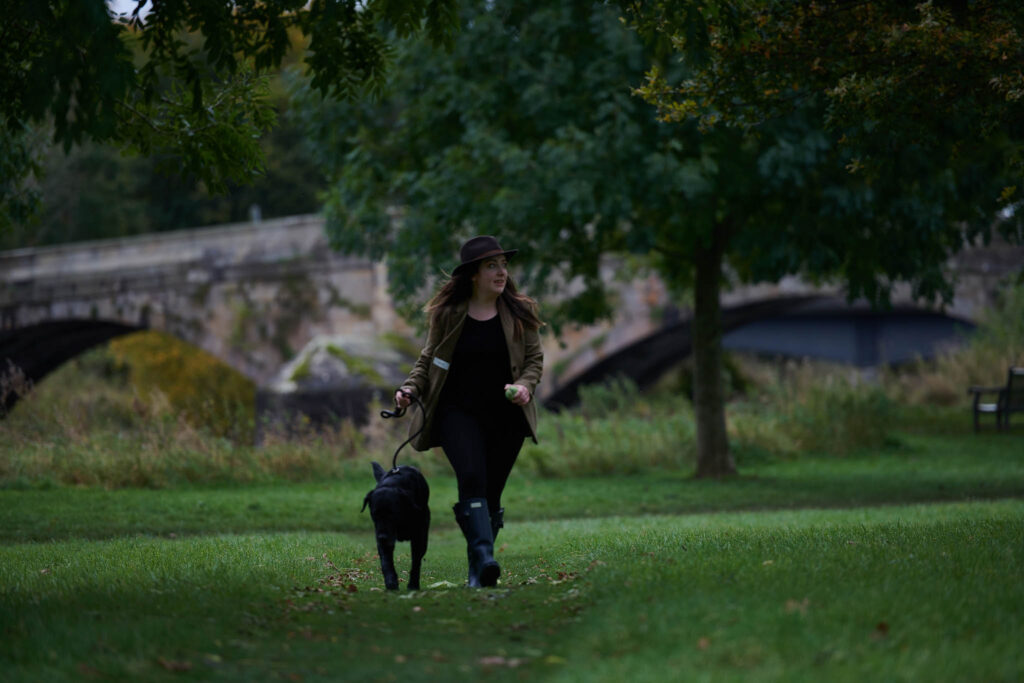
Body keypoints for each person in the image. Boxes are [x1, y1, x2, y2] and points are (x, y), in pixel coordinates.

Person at [393, 235, 544, 588]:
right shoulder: (448, 314)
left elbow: (534, 361)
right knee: (472, 477)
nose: (501, 272)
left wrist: (525, 386)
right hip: (456, 412)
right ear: (473, 274)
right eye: (492, 265)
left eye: (503, 265)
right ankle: (485, 558)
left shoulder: (521, 311)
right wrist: (409, 388)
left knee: (490, 494)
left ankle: (478, 570)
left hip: (506, 416)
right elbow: (428, 359)